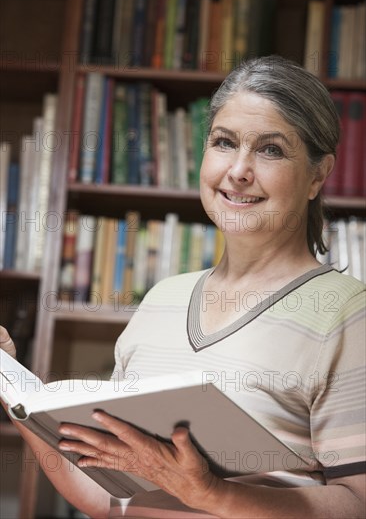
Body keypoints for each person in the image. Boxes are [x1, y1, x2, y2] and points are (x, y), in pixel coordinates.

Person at [1, 56, 365, 518]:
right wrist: (15, 386)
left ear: (318, 174)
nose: (238, 170)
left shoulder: (348, 314)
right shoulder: (162, 300)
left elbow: (358, 504)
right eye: (224, 142)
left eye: (270, 149)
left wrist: (210, 493)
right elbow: (108, 497)